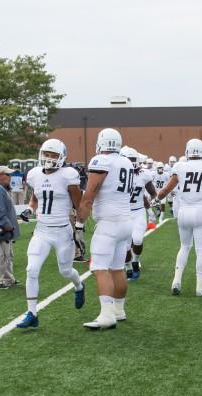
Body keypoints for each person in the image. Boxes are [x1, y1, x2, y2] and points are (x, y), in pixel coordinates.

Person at [15, 139, 86, 329]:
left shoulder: (68, 175)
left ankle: (79, 286)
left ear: (62, 157)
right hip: (42, 231)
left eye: (53, 155)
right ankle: (32, 313)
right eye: (46, 153)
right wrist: (30, 210)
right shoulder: (35, 174)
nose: (49, 158)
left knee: (66, 271)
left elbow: (79, 204)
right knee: (31, 269)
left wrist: (79, 228)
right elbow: (36, 197)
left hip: (63, 231)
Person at [77, 128, 132, 330]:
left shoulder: (101, 161)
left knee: (99, 268)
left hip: (109, 222)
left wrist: (79, 222)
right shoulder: (126, 161)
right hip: (126, 221)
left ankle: (107, 315)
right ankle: (119, 310)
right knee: (117, 268)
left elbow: (89, 194)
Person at [156, 138, 202, 297]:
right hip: (201, 211)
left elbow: (165, 191)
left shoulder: (180, 166)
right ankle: (200, 287)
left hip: (184, 212)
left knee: (184, 247)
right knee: (201, 250)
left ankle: (176, 280)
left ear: (187, 151)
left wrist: (155, 199)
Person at [119, 147, 157, 281]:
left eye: (133, 159)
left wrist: (150, 207)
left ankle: (135, 260)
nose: (131, 162)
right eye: (129, 159)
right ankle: (128, 266)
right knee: (125, 246)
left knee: (138, 240)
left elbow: (152, 193)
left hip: (138, 212)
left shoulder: (143, 174)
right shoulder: (117, 175)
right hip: (123, 214)